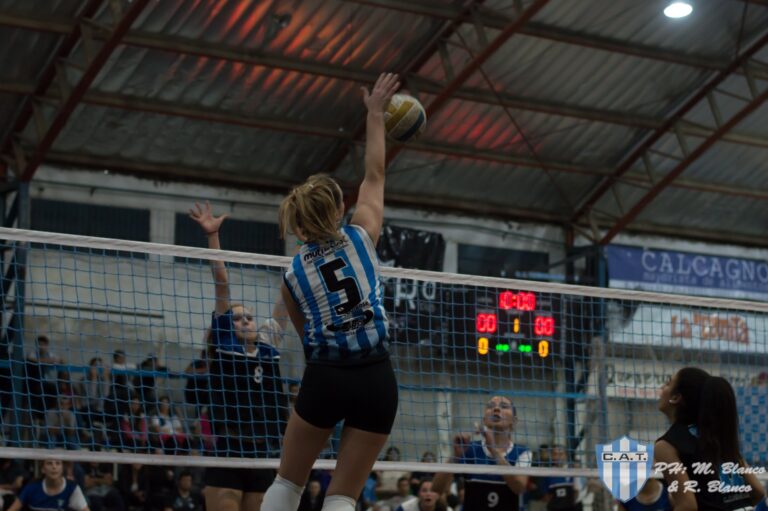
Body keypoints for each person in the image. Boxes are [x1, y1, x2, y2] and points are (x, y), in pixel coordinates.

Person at [260, 72, 401, 511]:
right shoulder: (362, 236)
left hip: (327, 374)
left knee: (288, 482)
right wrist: (375, 113)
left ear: (297, 225)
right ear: (341, 208)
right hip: (377, 378)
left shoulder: (294, 274)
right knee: (342, 494)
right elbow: (375, 172)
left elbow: (306, 338)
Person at [189, 201, 289, 511]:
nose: (245, 320)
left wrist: (306, 242)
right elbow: (222, 283)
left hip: (263, 452)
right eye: (238, 318)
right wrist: (213, 235)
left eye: (248, 317)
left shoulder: (269, 345)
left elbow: (288, 291)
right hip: (230, 448)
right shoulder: (224, 345)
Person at [655, 368, 765, 511]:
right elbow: (758, 492)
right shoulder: (718, 436)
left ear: (676, 397)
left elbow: (688, 506)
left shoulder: (666, 446)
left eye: (668, 384)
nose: (662, 387)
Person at [432, 395, 532, 511]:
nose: (496, 409)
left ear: (514, 421)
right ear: (484, 419)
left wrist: (494, 451)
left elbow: (519, 487)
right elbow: (436, 489)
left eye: (504, 406)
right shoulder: (469, 449)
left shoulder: (522, 453)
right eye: (490, 406)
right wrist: (455, 455)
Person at [8, 459, 89, 511]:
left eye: (57, 463)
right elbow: (13, 508)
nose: (54, 467)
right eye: (49, 463)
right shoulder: (31, 487)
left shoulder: (72, 488)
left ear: (62, 468)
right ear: (43, 469)